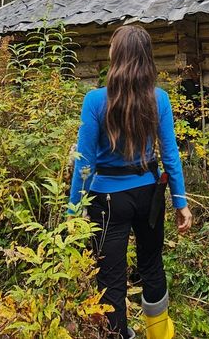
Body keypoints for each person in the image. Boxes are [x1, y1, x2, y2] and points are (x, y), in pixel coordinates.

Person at [68, 25, 193, 339]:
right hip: (148, 194)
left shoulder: (95, 101)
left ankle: (119, 335)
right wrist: (180, 201)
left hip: (107, 200)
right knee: (151, 265)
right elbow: (170, 153)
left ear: (116, 55)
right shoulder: (158, 99)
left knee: (111, 277)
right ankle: (160, 335)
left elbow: (85, 162)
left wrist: (72, 212)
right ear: (146, 59)